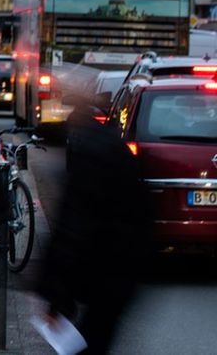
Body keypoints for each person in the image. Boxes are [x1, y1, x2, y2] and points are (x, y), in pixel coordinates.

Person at [36, 90, 150, 353]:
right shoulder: (113, 147)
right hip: (124, 265)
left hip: (108, 266)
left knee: (90, 341)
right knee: (97, 335)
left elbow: (71, 228)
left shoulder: (88, 158)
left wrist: (55, 300)